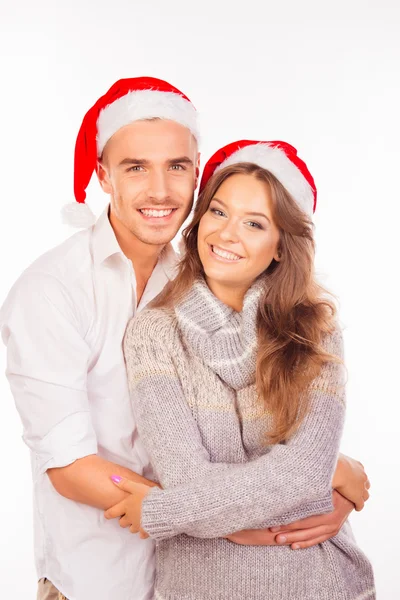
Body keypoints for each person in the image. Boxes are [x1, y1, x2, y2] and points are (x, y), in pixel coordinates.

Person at [0, 79, 368, 600]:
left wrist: (324, 470)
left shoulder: (205, 278)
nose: (160, 190)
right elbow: (69, 467)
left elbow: (258, 434)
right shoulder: (52, 290)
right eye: (135, 167)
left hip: (198, 577)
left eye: (176, 166)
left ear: (197, 171)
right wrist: (236, 521)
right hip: (102, 578)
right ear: (102, 174)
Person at [108, 140, 376, 599]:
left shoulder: (314, 329)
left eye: (254, 223)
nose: (228, 234)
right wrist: (330, 475)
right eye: (218, 212)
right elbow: (189, 480)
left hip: (322, 582)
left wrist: (164, 513)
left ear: (279, 247)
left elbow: (307, 473)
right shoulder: (153, 332)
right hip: (200, 587)